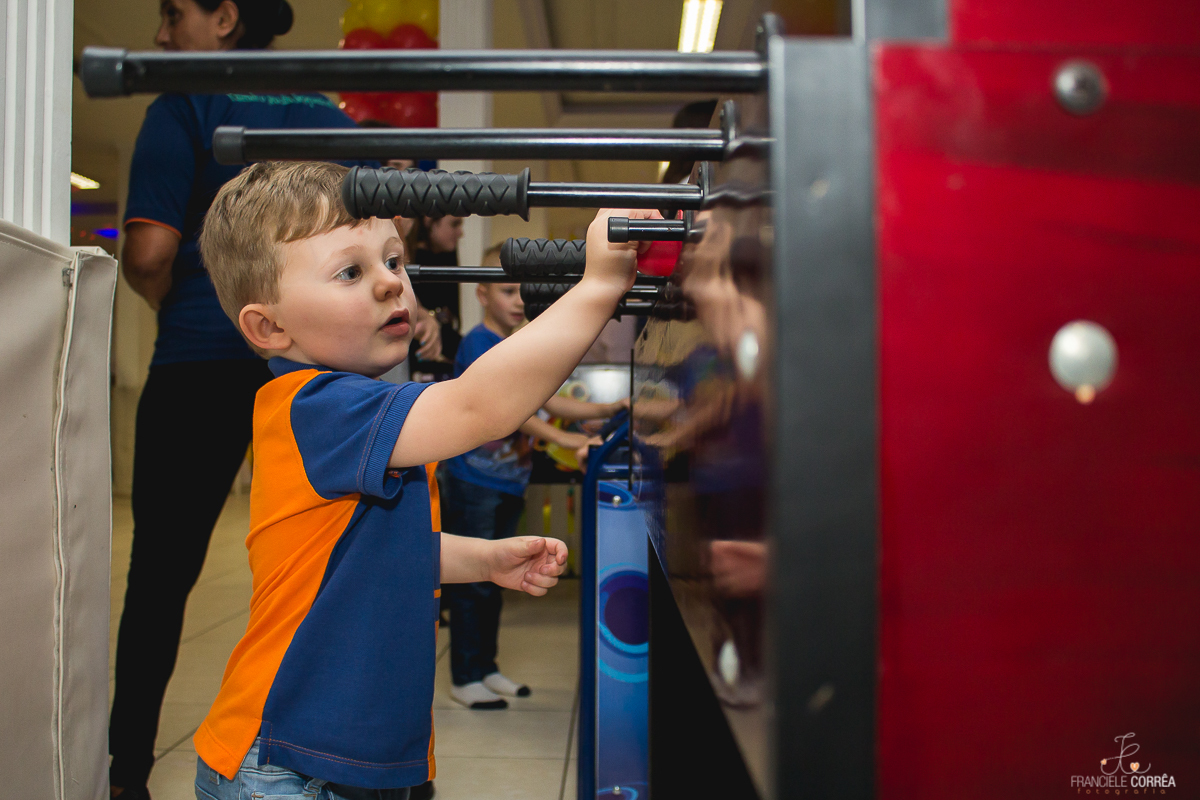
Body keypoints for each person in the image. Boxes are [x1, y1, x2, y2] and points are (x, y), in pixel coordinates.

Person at [189, 160, 648, 798]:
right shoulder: (315, 407)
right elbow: (479, 406)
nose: (389, 285)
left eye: (394, 262)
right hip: (287, 761)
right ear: (270, 328)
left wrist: (483, 559)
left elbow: (375, 554)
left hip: (358, 755)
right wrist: (598, 287)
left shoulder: (350, 411)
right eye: (351, 271)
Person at [108, 3, 435, 798]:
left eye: (173, 12)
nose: (160, 34)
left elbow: (148, 250)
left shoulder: (182, 102)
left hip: (201, 355)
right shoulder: (329, 112)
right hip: (336, 367)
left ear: (223, 17)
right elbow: (386, 231)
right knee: (342, 551)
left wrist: (185, 305)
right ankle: (327, 748)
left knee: (161, 575)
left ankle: (125, 773)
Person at [441, 245, 629, 709]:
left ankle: (486, 667)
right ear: (482, 293)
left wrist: (607, 408)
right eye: (507, 290)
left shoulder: (513, 345)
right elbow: (513, 413)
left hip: (506, 481)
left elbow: (549, 400)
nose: (518, 300)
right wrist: (562, 441)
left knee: (496, 581)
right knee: (473, 584)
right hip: (474, 481)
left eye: (522, 291)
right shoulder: (477, 343)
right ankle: (465, 675)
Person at [407, 215, 466, 368]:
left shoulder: (448, 258)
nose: (461, 232)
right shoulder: (407, 263)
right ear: (428, 219)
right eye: (454, 224)